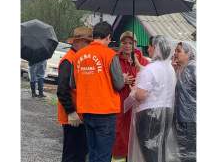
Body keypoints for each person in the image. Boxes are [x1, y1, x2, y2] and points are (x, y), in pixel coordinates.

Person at [72, 21, 124, 162]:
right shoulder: (110, 55)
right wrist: (123, 78)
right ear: (107, 37)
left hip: (87, 110)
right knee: (103, 155)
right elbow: (119, 84)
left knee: (93, 153)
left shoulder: (78, 56)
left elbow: (73, 83)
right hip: (105, 112)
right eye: (110, 40)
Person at [130, 35, 176, 162]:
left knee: (149, 151)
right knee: (160, 148)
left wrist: (133, 91)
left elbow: (140, 95)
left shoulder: (150, 69)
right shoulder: (170, 68)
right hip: (166, 112)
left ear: (155, 48)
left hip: (149, 114)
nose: (148, 49)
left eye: (150, 46)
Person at [57, 26, 93, 162]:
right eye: (88, 42)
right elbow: (62, 90)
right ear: (78, 42)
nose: (90, 46)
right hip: (73, 116)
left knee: (79, 153)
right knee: (72, 155)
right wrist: (71, 112)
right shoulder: (69, 60)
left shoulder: (77, 58)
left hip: (79, 114)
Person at [112, 31, 149, 162]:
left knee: (136, 139)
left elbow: (150, 79)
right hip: (120, 106)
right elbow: (108, 80)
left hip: (138, 107)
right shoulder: (114, 59)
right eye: (124, 42)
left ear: (136, 44)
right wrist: (120, 79)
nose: (128, 45)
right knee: (119, 138)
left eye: (131, 43)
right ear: (120, 44)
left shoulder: (143, 60)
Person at [173, 42, 196, 162]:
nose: (175, 53)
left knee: (190, 154)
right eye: (175, 50)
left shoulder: (193, 68)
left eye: (179, 51)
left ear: (188, 53)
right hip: (181, 119)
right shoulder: (181, 69)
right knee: (184, 154)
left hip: (191, 121)